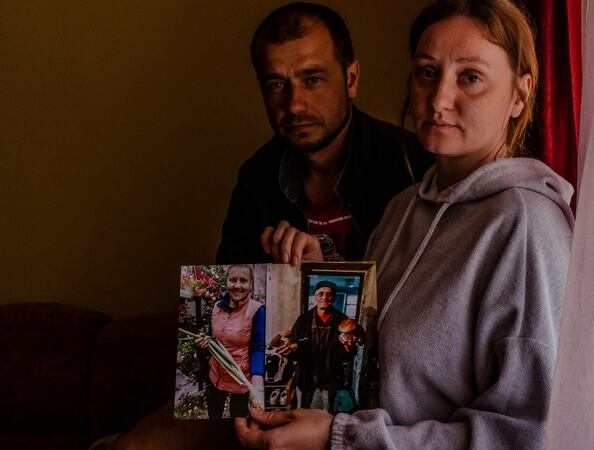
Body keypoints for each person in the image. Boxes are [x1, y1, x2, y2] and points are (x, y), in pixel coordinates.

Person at [235, 0, 574, 449]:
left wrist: (339, 439)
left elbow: (526, 437)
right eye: (427, 73)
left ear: (519, 94)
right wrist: (323, 274)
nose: (438, 99)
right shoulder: (403, 209)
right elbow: (369, 361)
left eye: (470, 77)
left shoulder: (526, 227)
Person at [216, 2, 432, 265]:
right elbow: (225, 297)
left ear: (351, 80)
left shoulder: (413, 166)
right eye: (276, 84)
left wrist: (323, 272)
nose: (294, 103)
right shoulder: (256, 177)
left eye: (312, 80)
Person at [195, 264, 266, 418]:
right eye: (233, 280)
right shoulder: (217, 306)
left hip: (239, 377)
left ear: (251, 283)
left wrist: (257, 379)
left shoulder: (257, 311)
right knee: (214, 412)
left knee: (237, 418)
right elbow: (211, 333)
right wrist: (205, 339)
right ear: (226, 281)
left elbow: (258, 348)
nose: (238, 285)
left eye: (243, 281)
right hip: (216, 374)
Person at [276, 280, 354, 412]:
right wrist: (288, 352)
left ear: (334, 297)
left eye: (329, 294)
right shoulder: (303, 319)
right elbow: (295, 346)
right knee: (302, 410)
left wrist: (348, 349)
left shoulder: (343, 320)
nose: (324, 297)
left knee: (327, 410)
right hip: (306, 372)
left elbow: (347, 356)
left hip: (330, 373)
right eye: (320, 294)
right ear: (315, 296)